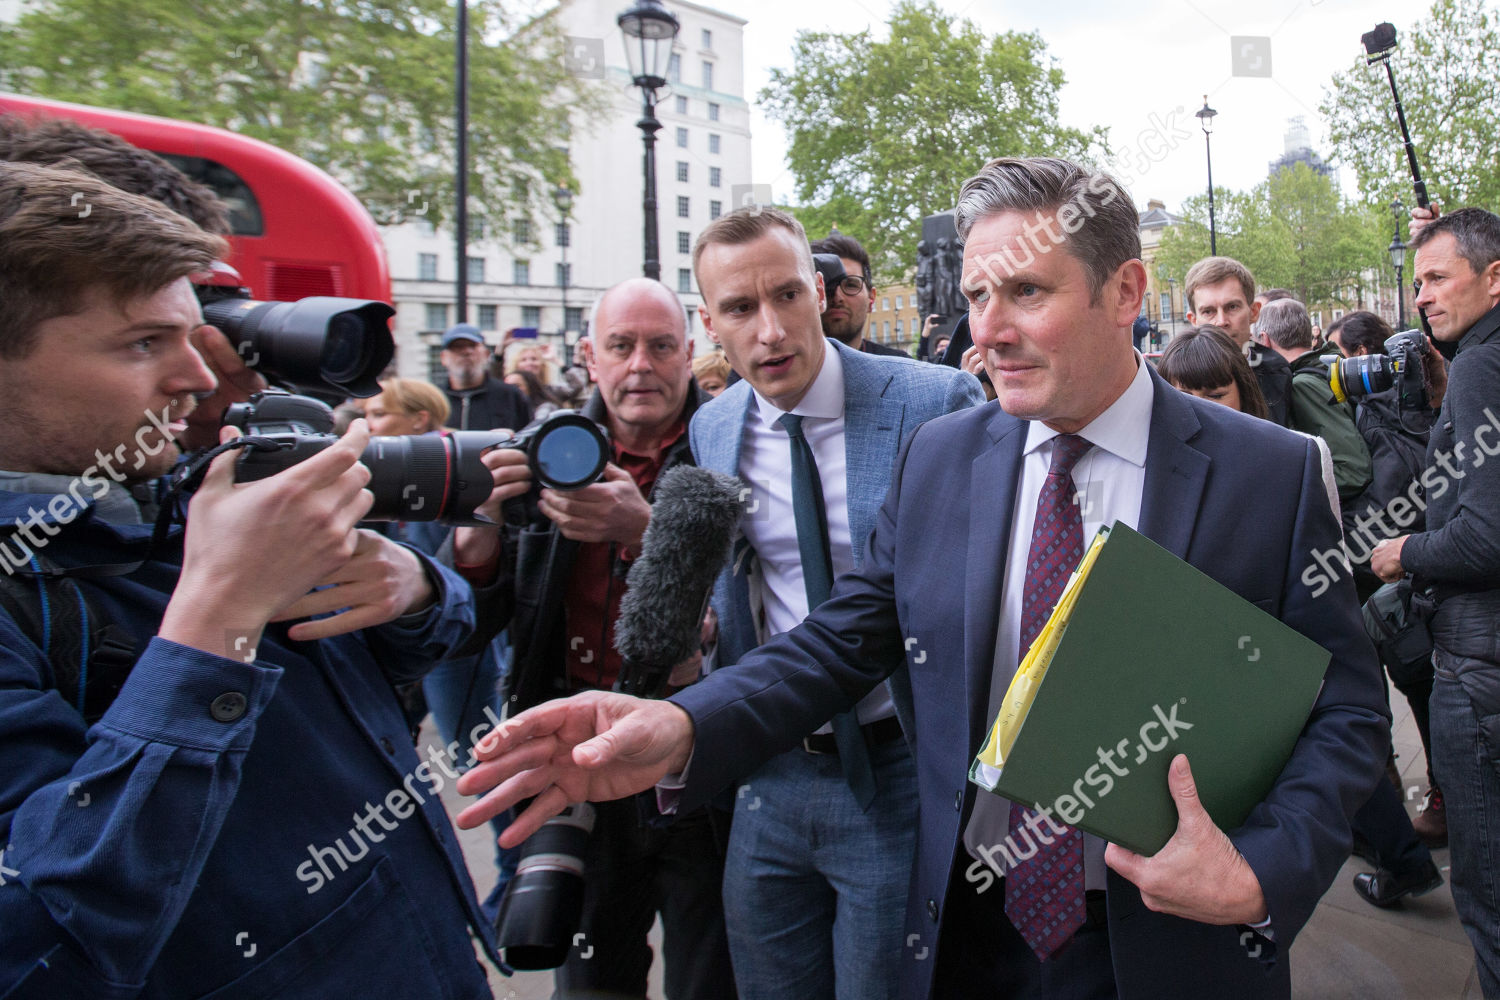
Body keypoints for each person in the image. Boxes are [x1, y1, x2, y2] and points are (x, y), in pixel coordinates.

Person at [456, 157, 1389, 1000]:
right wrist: (685, 723)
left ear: (1125, 290)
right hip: (968, 933)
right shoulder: (944, 457)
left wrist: (1261, 871)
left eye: (1026, 290)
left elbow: (1343, 710)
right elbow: (846, 631)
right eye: (979, 293)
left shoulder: (1268, 474)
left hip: (1170, 941)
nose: (990, 329)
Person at [0, 162, 498, 995]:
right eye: (143, 343)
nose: (199, 379)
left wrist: (411, 585)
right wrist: (218, 617)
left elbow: (420, 645)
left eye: (194, 334)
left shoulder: (186, 487)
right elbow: (47, 948)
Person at [688, 206, 983, 999]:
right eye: (741, 309)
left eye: (787, 295)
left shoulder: (937, 402)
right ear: (711, 324)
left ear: (821, 293)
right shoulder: (713, 429)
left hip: (895, 772)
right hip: (768, 774)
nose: (771, 329)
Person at [450, 278, 734, 999]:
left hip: (697, 758)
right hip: (575, 758)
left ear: (688, 352)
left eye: (661, 346)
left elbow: (762, 611)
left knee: (712, 975)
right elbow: (476, 623)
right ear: (589, 357)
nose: (642, 364)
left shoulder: (731, 445)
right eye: (621, 346)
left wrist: (647, 532)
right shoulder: (538, 456)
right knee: (591, 980)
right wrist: (479, 524)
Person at [1158, 325, 1441, 909]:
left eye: (1214, 394)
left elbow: (1325, 554)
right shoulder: (1160, 468)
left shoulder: (1291, 456)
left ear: (1241, 387)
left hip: (1275, 643)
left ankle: (1397, 860)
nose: (1197, 408)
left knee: (1317, 744)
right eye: (1182, 392)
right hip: (1202, 653)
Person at [1372, 207, 1500, 996]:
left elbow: (1484, 537)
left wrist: (1402, 551)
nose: (1421, 296)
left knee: (1486, 897)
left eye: (1438, 278)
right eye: (1417, 282)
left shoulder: (1485, 365)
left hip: (1480, 673)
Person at [1326, 310, 1448, 848]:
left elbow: (1397, 493)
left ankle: (1438, 801)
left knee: (1418, 679)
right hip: (1415, 561)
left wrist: (1352, 551)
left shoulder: (1386, 407)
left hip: (1403, 566)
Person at [1184, 257, 1294, 425]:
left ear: (1254, 312)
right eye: (1208, 312)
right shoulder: (1174, 379)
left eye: (1232, 307)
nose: (1221, 321)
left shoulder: (1279, 374)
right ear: (1193, 320)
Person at [809, 233, 906, 356]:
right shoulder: (785, 371)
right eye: (827, 286)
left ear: (871, 298)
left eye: (851, 285)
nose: (838, 297)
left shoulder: (899, 369)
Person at [437, 323, 532, 431]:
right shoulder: (434, 399)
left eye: (473, 346)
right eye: (457, 347)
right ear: (443, 357)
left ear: (486, 354)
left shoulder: (510, 395)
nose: (466, 352)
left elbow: (528, 439)